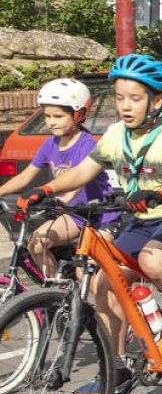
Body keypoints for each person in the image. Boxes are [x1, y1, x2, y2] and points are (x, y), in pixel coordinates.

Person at [18, 54, 162, 394]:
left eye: (135, 99)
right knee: (103, 282)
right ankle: (118, 367)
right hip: (144, 216)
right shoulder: (115, 135)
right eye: (119, 98)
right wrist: (48, 189)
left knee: (154, 262)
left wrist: (158, 192)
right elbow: (84, 171)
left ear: (157, 100)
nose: (125, 106)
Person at [0, 79, 119, 275]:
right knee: (36, 244)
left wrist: (59, 200)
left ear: (79, 115)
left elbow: (79, 180)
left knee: (84, 272)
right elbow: (25, 177)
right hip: (75, 215)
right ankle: (56, 293)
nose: (50, 122)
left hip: (99, 214)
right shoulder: (49, 144)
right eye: (46, 116)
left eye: (58, 116)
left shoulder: (86, 144)